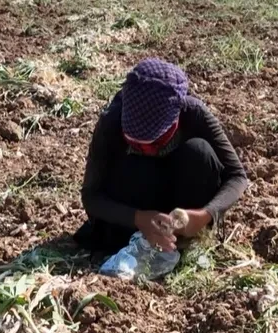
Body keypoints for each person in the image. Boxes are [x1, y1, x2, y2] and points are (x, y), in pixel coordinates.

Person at [74, 58, 248, 254]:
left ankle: (185, 243)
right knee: (137, 166)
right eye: (135, 142)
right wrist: (138, 218)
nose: (147, 149)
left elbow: (237, 177)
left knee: (199, 151)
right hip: (135, 209)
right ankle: (138, 242)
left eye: (155, 142)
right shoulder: (111, 121)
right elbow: (91, 196)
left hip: (180, 207)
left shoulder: (194, 114)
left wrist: (205, 215)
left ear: (176, 120)